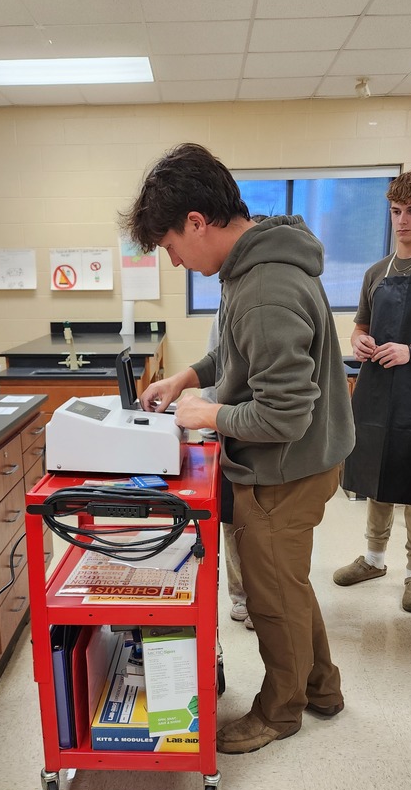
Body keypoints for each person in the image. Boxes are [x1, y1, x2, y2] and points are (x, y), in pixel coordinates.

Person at [118, 142, 355, 755]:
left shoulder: (264, 287)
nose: (174, 261)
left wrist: (212, 413)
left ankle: (280, 712)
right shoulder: (252, 264)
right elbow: (236, 351)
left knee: (271, 596)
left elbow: (285, 414)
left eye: (171, 246)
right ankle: (322, 687)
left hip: (286, 468)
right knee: (287, 582)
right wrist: (188, 378)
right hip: (302, 459)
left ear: (197, 222)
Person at [334, 168, 411, 612]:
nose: (401, 220)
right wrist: (359, 342)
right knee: (377, 473)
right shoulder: (375, 272)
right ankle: (373, 559)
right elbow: (360, 327)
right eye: (395, 211)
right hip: (377, 390)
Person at [201, 309, 254, 631]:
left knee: (266, 526)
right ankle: (241, 596)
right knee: (232, 520)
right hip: (229, 431)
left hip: (269, 433)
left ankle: (265, 599)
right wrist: (208, 431)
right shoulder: (224, 309)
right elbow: (216, 364)